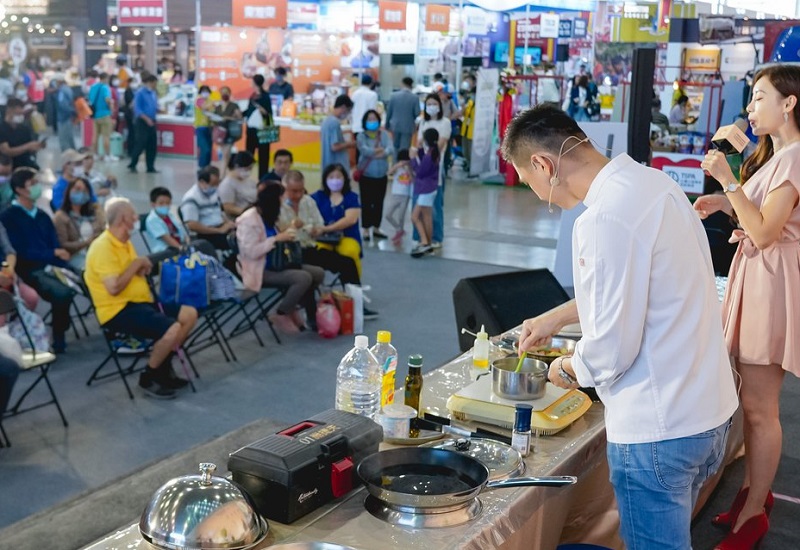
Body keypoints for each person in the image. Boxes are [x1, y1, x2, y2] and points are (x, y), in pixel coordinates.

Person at [502, 105, 738, 550]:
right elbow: (640, 284)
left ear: (543, 164)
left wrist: (568, 370)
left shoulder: (603, 218)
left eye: (526, 180)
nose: (536, 195)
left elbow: (610, 350)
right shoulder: (651, 183)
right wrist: (555, 317)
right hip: (709, 409)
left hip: (659, 426)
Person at [696, 64, 800, 549]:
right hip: (756, 280)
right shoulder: (782, 155)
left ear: (789, 103)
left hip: (769, 286)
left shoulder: (795, 157)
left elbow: (763, 232)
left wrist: (726, 179)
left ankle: (755, 511)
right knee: (751, 405)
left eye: (760, 98)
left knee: (760, 410)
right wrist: (724, 203)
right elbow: (758, 213)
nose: (751, 107)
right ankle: (751, 494)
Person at [85, 198, 198, 399]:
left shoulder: (124, 242)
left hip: (140, 301)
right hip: (118, 309)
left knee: (189, 314)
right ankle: (150, 375)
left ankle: (163, 365)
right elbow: (113, 288)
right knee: (172, 328)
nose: (137, 219)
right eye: (133, 216)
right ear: (122, 219)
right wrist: (136, 265)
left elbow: (131, 270)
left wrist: (141, 267)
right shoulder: (103, 247)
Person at [2, 168, 77, 353]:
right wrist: (53, 253)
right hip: (30, 269)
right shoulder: (9, 216)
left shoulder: (42, 215)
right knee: (62, 293)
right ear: (19, 189)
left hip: (52, 264)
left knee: (83, 281)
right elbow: (21, 251)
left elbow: (54, 243)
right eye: (32, 184)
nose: (37, 187)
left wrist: (61, 258)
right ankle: (58, 336)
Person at [236, 183, 324, 334]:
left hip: (278, 262)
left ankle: (294, 305)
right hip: (258, 268)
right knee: (302, 278)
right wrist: (276, 239)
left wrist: (290, 229)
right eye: (280, 200)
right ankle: (281, 313)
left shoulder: (268, 214)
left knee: (318, 273)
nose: (283, 204)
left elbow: (273, 235)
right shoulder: (249, 219)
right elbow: (250, 251)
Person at [277, 170, 363, 292]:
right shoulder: (277, 206)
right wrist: (291, 227)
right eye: (294, 191)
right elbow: (274, 233)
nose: (299, 195)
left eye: (301, 190)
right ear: (284, 189)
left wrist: (316, 230)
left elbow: (319, 225)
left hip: (310, 248)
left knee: (347, 263)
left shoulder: (308, 201)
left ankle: (356, 301)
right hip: (289, 253)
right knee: (308, 275)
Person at [311, 164, 364, 282]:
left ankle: (354, 287)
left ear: (345, 179)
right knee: (316, 253)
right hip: (321, 238)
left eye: (338, 177)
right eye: (331, 177)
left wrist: (326, 228)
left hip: (347, 237)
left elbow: (351, 220)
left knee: (350, 252)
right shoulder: (317, 197)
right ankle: (316, 285)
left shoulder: (351, 197)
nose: (335, 180)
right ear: (325, 179)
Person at [416, 93, 451, 248]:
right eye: (428, 104)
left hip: (435, 169)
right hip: (422, 169)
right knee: (420, 205)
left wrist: (426, 157)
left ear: (439, 105)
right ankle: (422, 236)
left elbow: (440, 146)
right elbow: (418, 143)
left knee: (435, 206)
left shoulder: (445, 123)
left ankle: (436, 238)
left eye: (434, 104)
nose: (431, 107)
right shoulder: (423, 122)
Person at [356, 109, 393, 242]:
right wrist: (378, 151)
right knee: (366, 202)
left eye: (374, 119)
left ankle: (376, 227)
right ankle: (365, 228)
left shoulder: (383, 134)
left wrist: (379, 153)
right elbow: (364, 151)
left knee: (379, 202)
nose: (372, 122)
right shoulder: (361, 136)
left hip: (381, 174)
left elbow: (390, 149)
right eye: (369, 119)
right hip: (366, 175)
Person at [53, 177, 105, 271]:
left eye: (85, 191)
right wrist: (85, 243)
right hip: (76, 256)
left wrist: (99, 210)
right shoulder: (60, 217)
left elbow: (103, 229)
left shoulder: (94, 212)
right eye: (77, 189)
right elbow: (63, 244)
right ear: (69, 191)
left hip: (97, 251)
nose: (81, 193)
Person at [180, 166, 235, 251]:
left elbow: (218, 212)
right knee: (237, 243)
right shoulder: (191, 198)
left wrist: (228, 223)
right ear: (202, 182)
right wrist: (219, 230)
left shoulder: (213, 193)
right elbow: (192, 225)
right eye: (213, 184)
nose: (216, 187)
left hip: (219, 227)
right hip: (206, 234)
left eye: (217, 183)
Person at [409, 129, 440, 258]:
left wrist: (412, 159)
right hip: (431, 188)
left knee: (414, 217)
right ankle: (429, 244)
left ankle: (424, 241)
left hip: (425, 189)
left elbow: (420, 172)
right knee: (427, 217)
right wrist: (419, 151)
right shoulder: (433, 153)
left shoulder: (429, 155)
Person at [128, 74, 160, 173]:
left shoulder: (153, 93)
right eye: (154, 83)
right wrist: (146, 119)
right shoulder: (140, 93)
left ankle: (150, 166)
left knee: (152, 144)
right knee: (141, 143)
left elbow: (154, 106)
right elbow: (137, 109)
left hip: (152, 120)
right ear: (150, 82)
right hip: (142, 122)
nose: (155, 85)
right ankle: (133, 163)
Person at [244, 75, 274, 179]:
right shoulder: (252, 96)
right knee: (249, 155)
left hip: (262, 131)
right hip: (251, 130)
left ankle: (263, 178)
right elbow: (248, 111)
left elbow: (269, 115)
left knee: (263, 157)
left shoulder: (265, 97)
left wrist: (264, 112)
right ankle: (246, 176)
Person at [0, 98, 43, 170]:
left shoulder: (24, 129)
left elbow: (30, 149)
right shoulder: (2, 129)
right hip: (8, 166)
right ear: (9, 111)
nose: (19, 117)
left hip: (25, 163)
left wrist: (36, 146)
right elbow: (7, 151)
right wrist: (28, 146)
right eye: (17, 114)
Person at [144, 187, 189, 254]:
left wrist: (188, 244)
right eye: (161, 203)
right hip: (164, 252)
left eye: (168, 203)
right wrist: (181, 249)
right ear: (153, 204)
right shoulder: (152, 220)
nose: (165, 205)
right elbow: (166, 239)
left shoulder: (170, 215)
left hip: (178, 247)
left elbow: (181, 231)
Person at [384, 149, 413, 245]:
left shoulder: (411, 168)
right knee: (388, 214)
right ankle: (399, 229)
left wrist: (409, 169)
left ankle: (399, 233)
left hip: (405, 195)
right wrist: (398, 165)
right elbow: (388, 173)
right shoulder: (397, 167)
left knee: (401, 216)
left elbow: (413, 180)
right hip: (395, 194)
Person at [321, 95, 355, 175]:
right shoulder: (334, 123)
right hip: (336, 166)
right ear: (343, 107)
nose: (348, 113)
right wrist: (351, 144)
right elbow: (335, 146)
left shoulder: (327, 121)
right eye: (348, 110)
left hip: (328, 165)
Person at [214, 86, 243, 177]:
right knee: (224, 154)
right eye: (223, 92)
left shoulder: (234, 106)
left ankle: (222, 175)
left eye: (226, 92)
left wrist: (229, 118)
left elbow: (240, 117)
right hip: (220, 133)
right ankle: (225, 173)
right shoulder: (218, 107)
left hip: (230, 132)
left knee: (226, 153)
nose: (224, 94)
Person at [218, 151, 258, 218]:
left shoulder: (249, 181)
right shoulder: (227, 184)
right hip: (240, 218)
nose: (249, 171)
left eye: (251, 169)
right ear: (237, 166)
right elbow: (228, 208)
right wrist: (248, 212)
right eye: (247, 169)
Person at [386, 77, 420, 153]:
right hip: (408, 126)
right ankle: (403, 163)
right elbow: (417, 113)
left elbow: (389, 112)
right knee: (404, 148)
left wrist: (387, 124)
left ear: (402, 83)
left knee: (395, 147)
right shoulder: (415, 97)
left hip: (395, 125)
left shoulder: (394, 96)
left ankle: (395, 163)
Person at [88, 73, 114, 160]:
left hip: (95, 115)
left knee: (95, 136)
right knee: (106, 136)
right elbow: (107, 99)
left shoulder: (93, 87)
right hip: (105, 114)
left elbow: (90, 100)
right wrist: (111, 107)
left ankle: (94, 154)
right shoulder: (105, 87)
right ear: (106, 78)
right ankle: (107, 155)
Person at [350, 74, 378, 146]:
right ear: (371, 83)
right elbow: (372, 111)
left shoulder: (354, 94)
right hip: (368, 126)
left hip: (356, 126)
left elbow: (351, 109)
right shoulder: (373, 94)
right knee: (368, 149)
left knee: (359, 148)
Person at [55, 75, 77, 152]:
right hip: (69, 116)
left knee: (64, 138)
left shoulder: (62, 91)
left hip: (63, 117)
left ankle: (68, 156)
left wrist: (71, 111)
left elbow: (62, 104)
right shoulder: (68, 89)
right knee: (69, 137)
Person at [194, 85, 214, 169]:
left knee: (209, 148)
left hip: (210, 127)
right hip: (200, 127)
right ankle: (202, 166)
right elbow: (204, 107)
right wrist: (212, 105)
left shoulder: (210, 100)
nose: (205, 93)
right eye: (204, 91)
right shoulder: (199, 100)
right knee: (204, 148)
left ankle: (207, 166)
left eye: (207, 91)